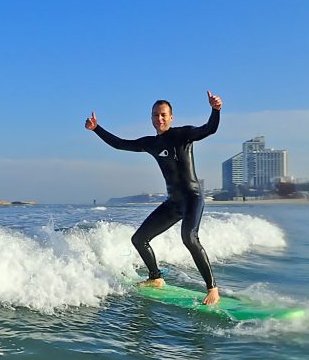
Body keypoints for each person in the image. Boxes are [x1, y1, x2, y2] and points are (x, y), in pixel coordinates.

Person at [85, 91, 223, 305]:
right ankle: (156, 277)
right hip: (173, 203)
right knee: (139, 239)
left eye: (163, 115)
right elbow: (120, 144)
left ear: (171, 117)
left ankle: (212, 288)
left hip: (192, 198)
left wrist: (215, 110)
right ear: (151, 118)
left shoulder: (183, 134)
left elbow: (209, 129)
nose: (159, 119)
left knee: (189, 237)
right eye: (155, 115)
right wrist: (96, 129)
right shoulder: (150, 143)